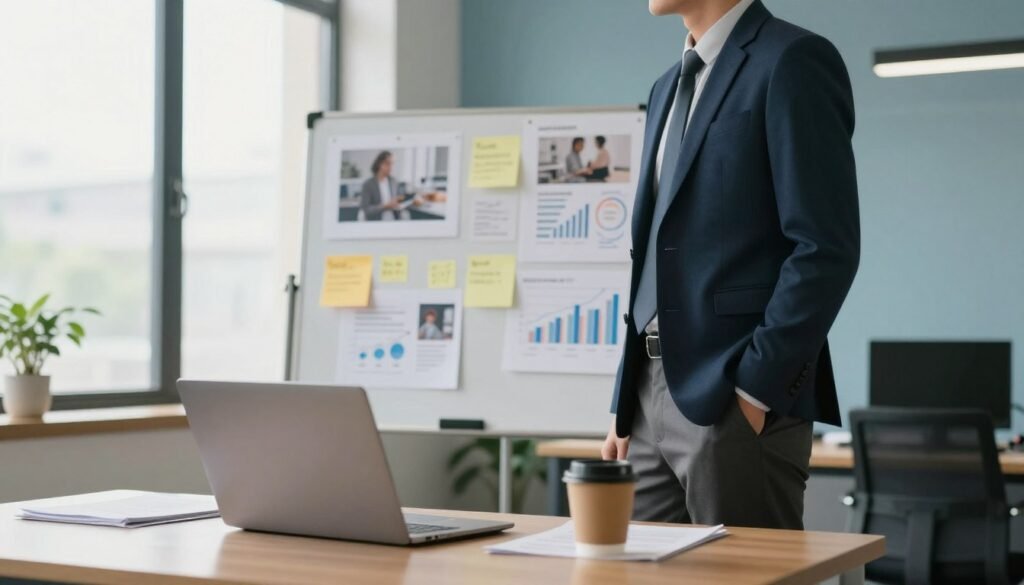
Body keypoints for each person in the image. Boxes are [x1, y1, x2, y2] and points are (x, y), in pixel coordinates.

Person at [602, 0, 859, 531]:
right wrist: (625, 402)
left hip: (734, 399)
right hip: (647, 400)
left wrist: (754, 393)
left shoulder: (792, 60)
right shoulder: (664, 88)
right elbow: (654, 254)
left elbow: (823, 248)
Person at [359, 151, 402, 221]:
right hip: (376, 224)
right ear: (380, 164)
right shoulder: (368, 184)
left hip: (393, 221)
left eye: (392, 164)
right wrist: (385, 206)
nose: (391, 167)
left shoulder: (394, 182)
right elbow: (366, 210)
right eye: (388, 164)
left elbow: (399, 201)